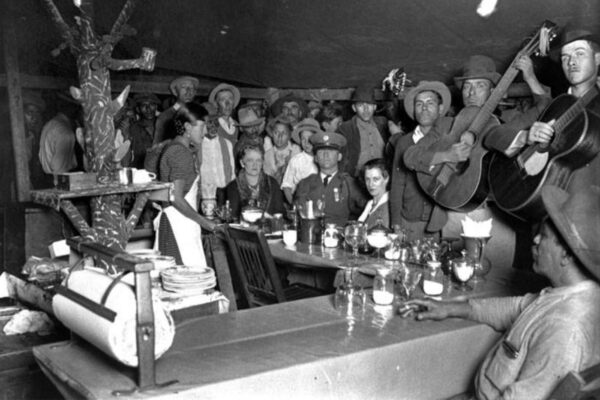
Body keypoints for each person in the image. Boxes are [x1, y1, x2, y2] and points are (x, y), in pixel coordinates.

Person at [403, 185, 600, 399]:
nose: (534, 240)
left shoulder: (564, 329)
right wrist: (450, 308)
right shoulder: (578, 295)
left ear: (566, 255)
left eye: (543, 236)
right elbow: (515, 308)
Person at [403, 55, 550, 246]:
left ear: (493, 92)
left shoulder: (507, 124)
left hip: (496, 216)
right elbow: (410, 156)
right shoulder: (445, 124)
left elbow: (545, 106)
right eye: (467, 86)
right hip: (453, 213)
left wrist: (530, 76)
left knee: (496, 275)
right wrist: (446, 156)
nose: (471, 92)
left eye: (480, 86)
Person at [484, 29, 600, 192]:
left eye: (579, 54)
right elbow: (492, 135)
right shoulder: (550, 108)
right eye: (565, 57)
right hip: (538, 195)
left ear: (597, 58)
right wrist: (525, 137)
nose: (571, 62)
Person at [390, 81, 452, 241]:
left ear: (440, 109)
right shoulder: (404, 142)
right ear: (414, 110)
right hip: (410, 218)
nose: (424, 108)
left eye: (430, 103)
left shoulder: (449, 139)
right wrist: (396, 223)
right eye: (419, 104)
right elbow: (397, 184)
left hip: (441, 220)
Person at [154, 102, 213, 269]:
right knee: (184, 281)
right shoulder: (180, 153)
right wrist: (205, 223)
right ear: (187, 127)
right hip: (178, 226)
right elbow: (176, 198)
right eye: (202, 127)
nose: (206, 132)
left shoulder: (175, 148)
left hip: (181, 223)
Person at [295, 131, 367, 226]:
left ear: (339, 157)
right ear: (315, 157)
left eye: (331, 151)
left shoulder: (349, 183)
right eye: (321, 151)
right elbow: (299, 211)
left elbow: (367, 209)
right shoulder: (305, 183)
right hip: (311, 236)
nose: (326, 155)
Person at [337, 85, 398, 177]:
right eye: (361, 105)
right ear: (354, 108)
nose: (365, 109)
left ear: (374, 107)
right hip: (357, 178)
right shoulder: (345, 129)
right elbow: (340, 158)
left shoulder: (383, 124)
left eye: (369, 104)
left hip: (383, 178)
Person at [219, 144, 286, 220]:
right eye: (250, 160)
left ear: (262, 163)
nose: (255, 165)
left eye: (258, 160)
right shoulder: (233, 187)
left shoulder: (272, 183)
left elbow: (280, 212)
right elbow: (233, 216)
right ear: (242, 163)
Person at [280, 118, 320, 204]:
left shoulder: (322, 159)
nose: (306, 143)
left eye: (310, 139)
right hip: (301, 201)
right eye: (303, 139)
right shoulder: (296, 160)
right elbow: (287, 186)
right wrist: (294, 205)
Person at [154, 76, 199, 144]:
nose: (188, 91)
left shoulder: (199, 113)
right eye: (183, 87)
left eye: (192, 88)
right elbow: (157, 145)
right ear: (175, 91)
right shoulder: (166, 116)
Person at [199, 115, 235, 195]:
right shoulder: (199, 146)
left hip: (225, 188)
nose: (213, 128)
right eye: (209, 125)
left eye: (215, 125)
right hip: (206, 191)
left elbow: (232, 169)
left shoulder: (227, 143)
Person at [263, 115, 300, 184]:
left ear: (290, 135)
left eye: (284, 133)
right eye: (276, 133)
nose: (279, 137)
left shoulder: (296, 151)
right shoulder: (268, 155)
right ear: (271, 134)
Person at [39, 110, 78, 175]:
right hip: (58, 179)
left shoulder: (51, 124)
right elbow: (60, 169)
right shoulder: (65, 131)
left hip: (48, 177)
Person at [129, 93, 160, 169]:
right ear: (138, 109)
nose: (148, 108)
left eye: (151, 105)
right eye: (143, 105)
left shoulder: (164, 125)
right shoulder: (133, 128)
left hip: (161, 170)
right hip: (140, 170)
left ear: (156, 107)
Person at [357, 158, 390, 229]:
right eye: (367, 179)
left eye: (375, 179)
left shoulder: (389, 205)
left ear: (386, 179)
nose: (370, 184)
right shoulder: (370, 204)